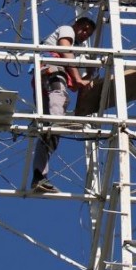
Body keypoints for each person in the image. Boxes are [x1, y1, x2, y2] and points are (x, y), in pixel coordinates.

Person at [30, 16, 95, 192]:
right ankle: (56, 121)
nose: (84, 33)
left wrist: (88, 74)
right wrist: (79, 76)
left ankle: (39, 177)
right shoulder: (67, 29)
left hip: (46, 78)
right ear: (76, 25)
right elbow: (64, 49)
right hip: (51, 70)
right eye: (84, 28)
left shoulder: (75, 52)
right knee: (59, 98)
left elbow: (75, 85)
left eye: (88, 33)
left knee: (49, 135)